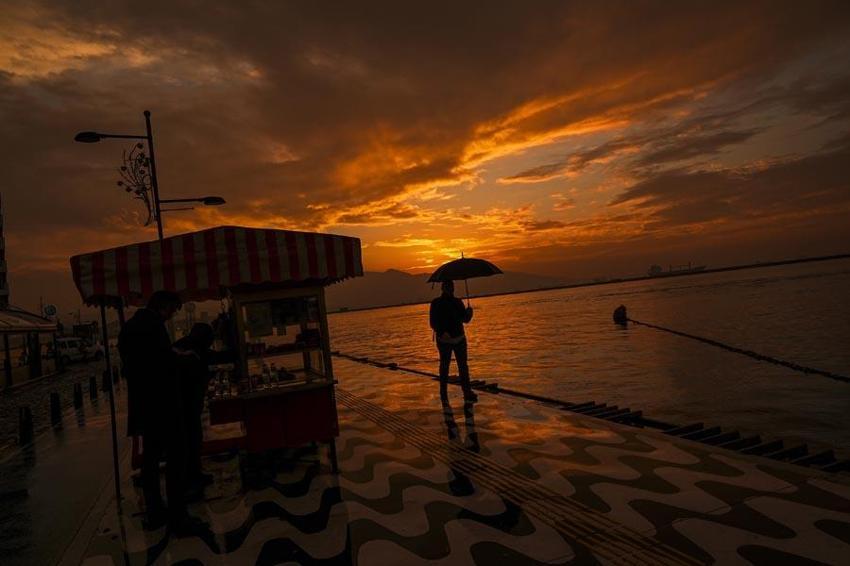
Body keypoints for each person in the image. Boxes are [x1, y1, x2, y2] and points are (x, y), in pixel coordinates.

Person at [118, 290, 204, 536]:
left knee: (151, 459)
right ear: (164, 307)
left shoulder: (130, 327)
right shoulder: (153, 326)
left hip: (143, 405)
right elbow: (163, 363)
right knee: (177, 459)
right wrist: (186, 358)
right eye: (173, 310)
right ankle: (179, 518)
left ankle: (155, 511)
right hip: (163, 406)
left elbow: (139, 362)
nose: (172, 315)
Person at [173, 323, 216, 494]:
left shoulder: (192, 347)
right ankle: (190, 480)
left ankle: (195, 474)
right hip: (183, 406)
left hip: (189, 405)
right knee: (188, 443)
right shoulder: (187, 352)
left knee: (194, 441)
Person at [429, 280, 477, 402]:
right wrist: (442, 331)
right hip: (445, 340)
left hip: (459, 338)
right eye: (449, 287)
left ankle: (466, 392)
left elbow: (465, 320)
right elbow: (433, 322)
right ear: (443, 288)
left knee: (461, 366)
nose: (451, 289)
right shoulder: (436, 303)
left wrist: (469, 314)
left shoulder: (457, 302)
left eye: (452, 287)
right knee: (446, 366)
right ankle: (444, 393)